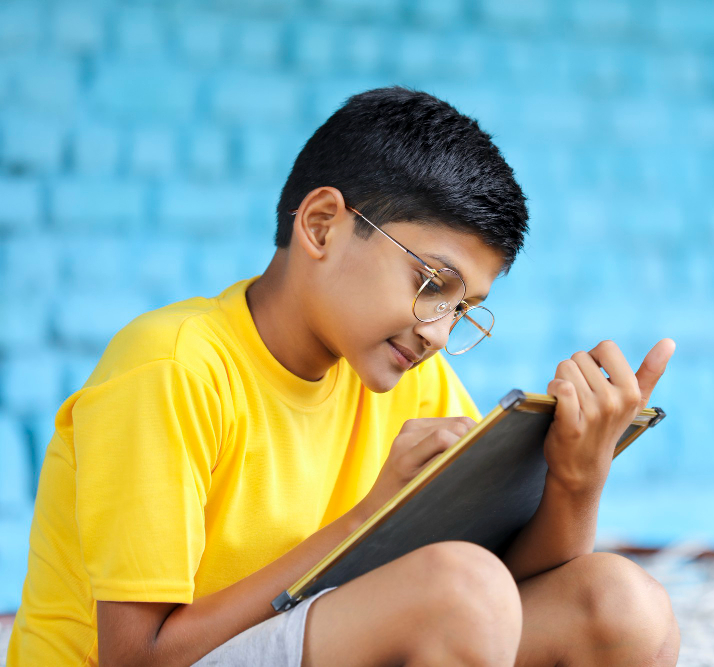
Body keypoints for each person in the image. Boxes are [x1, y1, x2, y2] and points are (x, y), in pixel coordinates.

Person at [7, 86, 679, 666]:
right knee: (459, 589)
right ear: (322, 225)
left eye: (463, 309)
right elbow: (137, 656)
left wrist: (576, 477)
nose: (438, 332)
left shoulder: (407, 375)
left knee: (620, 605)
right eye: (431, 283)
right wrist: (366, 518)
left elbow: (505, 599)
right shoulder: (171, 369)